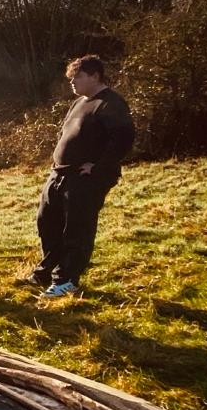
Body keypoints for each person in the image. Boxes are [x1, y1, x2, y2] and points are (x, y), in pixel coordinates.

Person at [33, 55, 135, 297]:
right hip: (60, 174)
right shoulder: (79, 102)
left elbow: (124, 139)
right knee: (47, 221)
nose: (72, 82)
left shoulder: (111, 104)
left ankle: (67, 280)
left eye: (78, 76)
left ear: (95, 76)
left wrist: (98, 167)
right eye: (71, 77)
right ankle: (46, 272)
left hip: (85, 178)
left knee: (77, 228)